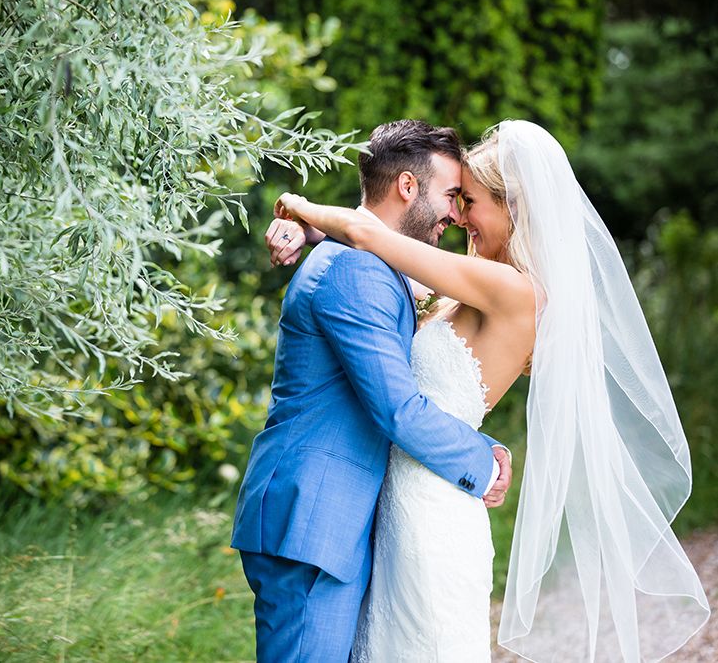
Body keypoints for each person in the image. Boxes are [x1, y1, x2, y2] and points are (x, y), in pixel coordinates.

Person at [270, 119, 710, 662]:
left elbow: (371, 236)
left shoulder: (511, 289)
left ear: (513, 209)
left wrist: (299, 206)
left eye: (468, 201)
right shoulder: (473, 283)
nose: (457, 216)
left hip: (432, 507)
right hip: (399, 500)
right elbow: (384, 262)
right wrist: (317, 236)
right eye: (454, 198)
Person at [231, 120, 512, 663]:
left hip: (327, 517)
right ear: (408, 187)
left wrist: (312, 226)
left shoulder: (364, 262)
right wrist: (482, 456)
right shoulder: (356, 272)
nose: (454, 215)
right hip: (312, 516)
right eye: (450, 196)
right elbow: (397, 410)